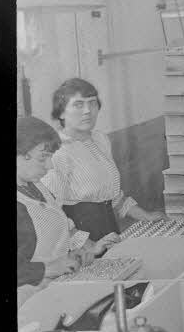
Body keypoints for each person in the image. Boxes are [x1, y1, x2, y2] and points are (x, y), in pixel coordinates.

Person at [47, 78, 160, 240]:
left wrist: (145, 215)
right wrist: (86, 245)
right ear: (61, 112)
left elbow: (113, 197)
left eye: (92, 103)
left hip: (109, 231)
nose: (87, 111)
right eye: (78, 104)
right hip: (81, 238)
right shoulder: (57, 152)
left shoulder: (100, 139)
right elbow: (51, 213)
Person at [16, 116, 117, 292]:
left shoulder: (37, 186)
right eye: (42, 158)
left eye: (50, 158)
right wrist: (48, 268)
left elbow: (59, 228)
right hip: (28, 297)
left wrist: (85, 250)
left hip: (56, 288)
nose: (50, 166)